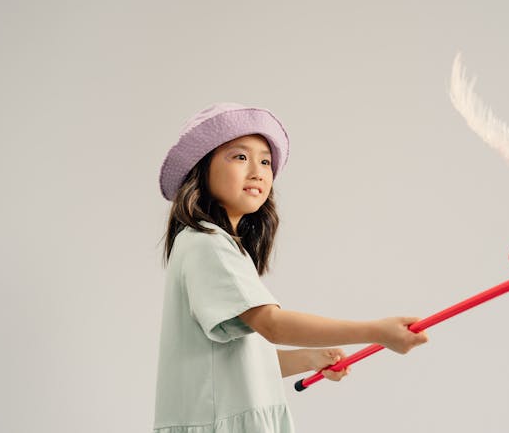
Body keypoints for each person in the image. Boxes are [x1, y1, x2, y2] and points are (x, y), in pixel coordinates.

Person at [152, 102, 429, 432]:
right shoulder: (206, 243)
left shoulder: (217, 245)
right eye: (240, 156)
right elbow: (273, 325)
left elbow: (238, 363)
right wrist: (375, 332)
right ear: (201, 169)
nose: (258, 171)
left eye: (265, 161)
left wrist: (309, 360)